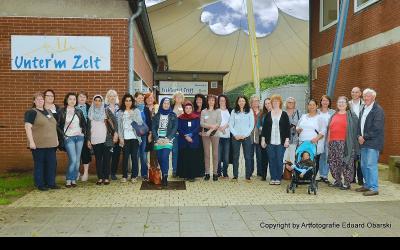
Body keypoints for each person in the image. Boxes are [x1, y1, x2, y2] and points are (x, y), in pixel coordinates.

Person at [24, 92, 59, 191]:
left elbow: (53, 126)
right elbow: (27, 127)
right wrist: (31, 142)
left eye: (42, 99)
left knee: (52, 164)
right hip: (38, 144)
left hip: (51, 144)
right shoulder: (31, 112)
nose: (40, 101)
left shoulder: (49, 111)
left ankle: (51, 183)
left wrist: (56, 139)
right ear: (34, 101)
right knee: (40, 164)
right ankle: (40, 184)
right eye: (38, 99)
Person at [326, 96, 359, 190]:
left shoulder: (351, 115)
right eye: (339, 102)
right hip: (333, 143)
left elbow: (356, 130)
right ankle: (337, 180)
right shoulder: (334, 115)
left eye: (343, 102)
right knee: (334, 162)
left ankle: (347, 182)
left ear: (347, 104)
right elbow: (329, 129)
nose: (341, 104)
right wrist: (328, 142)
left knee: (346, 162)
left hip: (345, 143)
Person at [356, 88, 384, 196]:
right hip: (363, 142)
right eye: (364, 96)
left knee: (371, 165)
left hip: (373, 142)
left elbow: (377, 128)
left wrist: (364, 137)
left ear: (373, 97)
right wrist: (359, 136)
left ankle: (374, 188)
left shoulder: (378, 110)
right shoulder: (364, 108)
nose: (365, 98)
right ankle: (367, 185)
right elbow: (359, 124)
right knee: (363, 165)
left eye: (368, 96)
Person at [87, 95, 118, 185]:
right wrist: (88, 139)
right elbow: (88, 128)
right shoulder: (90, 112)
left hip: (106, 139)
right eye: (95, 100)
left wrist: (116, 132)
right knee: (98, 159)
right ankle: (100, 178)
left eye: (99, 100)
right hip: (94, 139)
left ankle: (106, 177)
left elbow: (115, 121)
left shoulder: (106, 111)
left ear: (102, 101)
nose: (97, 102)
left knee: (107, 159)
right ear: (93, 101)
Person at [261, 94, 290, 185]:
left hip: (281, 142)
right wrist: (263, 140)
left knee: (279, 159)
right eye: (274, 101)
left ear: (280, 103)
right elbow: (265, 129)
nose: (275, 103)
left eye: (277, 101)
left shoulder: (284, 114)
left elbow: (287, 128)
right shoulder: (268, 114)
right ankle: (273, 177)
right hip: (270, 141)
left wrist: (287, 140)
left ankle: (278, 178)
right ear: (272, 103)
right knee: (271, 159)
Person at [58, 93, 87, 188]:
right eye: (70, 99)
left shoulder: (79, 111)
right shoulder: (62, 111)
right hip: (68, 137)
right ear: (67, 100)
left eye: (74, 99)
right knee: (73, 159)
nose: (72, 101)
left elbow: (84, 124)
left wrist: (83, 133)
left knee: (77, 160)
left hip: (79, 137)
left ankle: (73, 179)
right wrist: (64, 136)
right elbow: (58, 126)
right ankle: (68, 179)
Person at [296, 99, 326, 179]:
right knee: (301, 158)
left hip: (313, 143)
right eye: (310, 105)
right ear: (307, 106)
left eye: (313, 105)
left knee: (312, 160)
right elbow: (297, 126)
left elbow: (323, 131)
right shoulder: (303, 116)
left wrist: (316, 139)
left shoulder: (320, 118)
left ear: (317, 106)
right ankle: (301, 174)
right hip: (302, 142)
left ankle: (311, 177)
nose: (311, 106)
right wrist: (298, 129)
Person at [152, 97, 178, 186]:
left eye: (168, 103)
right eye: (164, 103)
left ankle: (165, 176)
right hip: (158, 140)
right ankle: (164, 173)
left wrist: (168, 138)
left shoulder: (173, 115)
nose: (166, 105)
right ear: (161, 104)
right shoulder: (157, 115)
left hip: (168, 140)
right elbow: (153, 128)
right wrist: (157, 139)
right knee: (159, 158)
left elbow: (175, 128)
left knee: (164, 156)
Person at [117, 94, 143, 183]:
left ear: (132, 101)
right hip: (125, 137)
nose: (128, 102)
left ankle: (134, 176)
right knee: (125, 157)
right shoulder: (120, 112)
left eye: (130, 100)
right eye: (126, 100)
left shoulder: (136, 110)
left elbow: (140, 123)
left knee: (134, 157)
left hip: (134, 137)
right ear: (124, 102)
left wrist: (133, 115)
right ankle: (124, 176)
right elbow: (119, 126)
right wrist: (120, 137)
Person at [229, 95, 254, 181]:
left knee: (247, 157)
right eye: (240, 101)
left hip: (246, 137)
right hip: (235, 137)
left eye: (243, 101)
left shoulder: (250, 111)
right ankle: (235, 176)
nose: (241, 102)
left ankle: (248, 176)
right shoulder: (233, 111)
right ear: (237, 102)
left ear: (246, 102)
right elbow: (231, 125)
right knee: (235, 157)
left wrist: (245, 135)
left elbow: (252, 125)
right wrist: (235, 135)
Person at [177, 102, 203, 181]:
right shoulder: (180, 118)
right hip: (183, 140)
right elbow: (179, 128)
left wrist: (191, 135)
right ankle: (184, 174)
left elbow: (197, 127)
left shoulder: (196, 117)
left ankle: (192, 176)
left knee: (192, 158)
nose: (188, 110)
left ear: (192, 109)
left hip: (193, 140)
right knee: (184, 157)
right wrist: (186, 136)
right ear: (184, 109)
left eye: (190, 108)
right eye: (186, 108)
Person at [200, 94, 221, 181]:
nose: (211, 102)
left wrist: (210, 130)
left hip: (215, 134)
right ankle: (207, 173)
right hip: (205, 135)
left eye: (213, 100)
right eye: (209, 100)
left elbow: (219, 122)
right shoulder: (204, 111)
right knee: (207, 154)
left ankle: (215, 173)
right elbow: (202, 123)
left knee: (215, 154)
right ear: (207, 101)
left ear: (215, 101)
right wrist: (210, 127)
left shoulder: (218, 111)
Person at [316, 95, 335, 184]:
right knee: (320, 156)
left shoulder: (333, 112)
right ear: (321, 102)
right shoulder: (317, 111)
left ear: (329, 102)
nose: (325, 102)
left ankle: (325, 175)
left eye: (327, 100)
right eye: (323, 100)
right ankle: (321, 175)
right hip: (319, 137)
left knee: (327, 156)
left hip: (329, 137)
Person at [349, 87, 364, 185]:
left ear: (360, 93)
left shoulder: (364, 104)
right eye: (353, 92)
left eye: (356, 92)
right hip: (350, 133)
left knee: (361, 156)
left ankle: (361, 178)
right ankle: (352, 177)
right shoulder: (347, 104)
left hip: (361, 134)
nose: (354, 93)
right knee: (351, 156)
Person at [105, 89, 121, 181]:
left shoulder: (119, 109)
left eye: (114, 96)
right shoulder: (104, 108)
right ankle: (106, 173)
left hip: (117, 134)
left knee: (116, 155)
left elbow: (120, 122)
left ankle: (113, 173)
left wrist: (117, 133)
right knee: (107, 155)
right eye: (110, 96)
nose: (112, 97)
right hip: (107, 135)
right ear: (107, 97)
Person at [134, 92, 150, 181]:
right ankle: (135, 174)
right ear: (135, 98)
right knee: (135, 155)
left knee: (143, 155)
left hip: (144, 135)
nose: (141, 100)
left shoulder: (146, 109)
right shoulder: (132, 109)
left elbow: (148, 122)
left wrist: (149, 134)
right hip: (135, 135)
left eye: (142, 98)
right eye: (139, 98)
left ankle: (144, 174)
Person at [283, 97, 302, 167]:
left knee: (293, 155)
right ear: (286, 103)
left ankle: (293, 173)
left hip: (295, 136)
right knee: (284, 155)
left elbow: (301, 123)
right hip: (284, 137)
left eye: (292, 102)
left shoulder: (298, 112)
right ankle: (283, 173)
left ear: (295, 104)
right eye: (289, 102)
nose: (291, 104)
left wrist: (297, 126)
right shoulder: (283, 112)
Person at [76, 91, 91, 182]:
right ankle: (76, 172)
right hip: (74, 134)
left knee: (85, 153)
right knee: (76, 155)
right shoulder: (72, 107)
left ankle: (85, 172)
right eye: (80, 97)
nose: (82, 98)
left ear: (86, 99)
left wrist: (89, 137)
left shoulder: (90, 108)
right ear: (77, 98)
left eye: (84, 97)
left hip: (85, 134)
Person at [257, 98, 272, 181]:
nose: (267, 105)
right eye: (266, 104)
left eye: (269, 103)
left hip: (273, 138)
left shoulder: (276, 113)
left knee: (272, 157)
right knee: (264, 157)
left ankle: (273, 175)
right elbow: (258, 125)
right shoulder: (262, 114)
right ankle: (264, 175)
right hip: (263, 138)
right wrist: (262, 128)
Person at [217, 95, 231, 178]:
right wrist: (220, 128)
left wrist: (224, 127)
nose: (222, 102)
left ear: (226, 101)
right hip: (218, 136)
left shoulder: (229, 110)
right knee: (218, 157)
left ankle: (225, 172)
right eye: (220, 100)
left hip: (227, 137)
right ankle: (218, 172)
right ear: (218, 101)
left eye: (224, 100)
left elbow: (231, 121)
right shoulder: (216, 110)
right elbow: (214, 121)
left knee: (226, 158)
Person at [171, 91, 185, 177]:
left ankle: (181, 170)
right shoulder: (171, 107)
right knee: (174, 151)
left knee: (182, 152)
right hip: (173, 133)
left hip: (182, 133)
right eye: (177, 97)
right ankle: (175, 170)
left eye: (180, 97)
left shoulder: (184, 107)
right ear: (174, 98)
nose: (179, 98)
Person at [144, 92, 159, 169]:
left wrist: (152, 133)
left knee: (154, 154)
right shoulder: (143, 109)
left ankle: (155, 172)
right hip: (145, 133)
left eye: (151, 98)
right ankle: (145, 172)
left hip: (155, 133)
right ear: (145, 100)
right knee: (144, 154)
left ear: (154, 99)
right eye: (148, 98)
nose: (150, 99)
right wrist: (149, 132)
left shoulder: (157, 108)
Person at [249, 95, 262, 177]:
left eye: (257, 101)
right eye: (253, 101)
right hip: (250, 136)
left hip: (259, 136)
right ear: (251, 102)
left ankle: (260, 172)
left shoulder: (262, 112)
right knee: (250, 156)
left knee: (259, 155)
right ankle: (250, 171)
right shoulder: (248, 111)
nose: (255, 102)